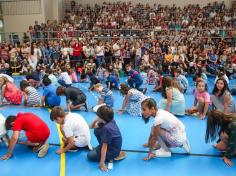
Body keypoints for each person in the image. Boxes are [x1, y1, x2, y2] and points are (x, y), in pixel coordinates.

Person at [87, 105, 126, 172]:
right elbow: (90, 127)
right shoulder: (109, 121)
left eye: (98, 115)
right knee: (96, 130)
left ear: (102, 117)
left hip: (111, 150)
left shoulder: (106, 129)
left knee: (89, 156)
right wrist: (97, 118)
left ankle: (112, 157)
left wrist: (102, 164)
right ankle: (114, 154)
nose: (97, 116)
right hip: (112, 147)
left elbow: (104, 148)